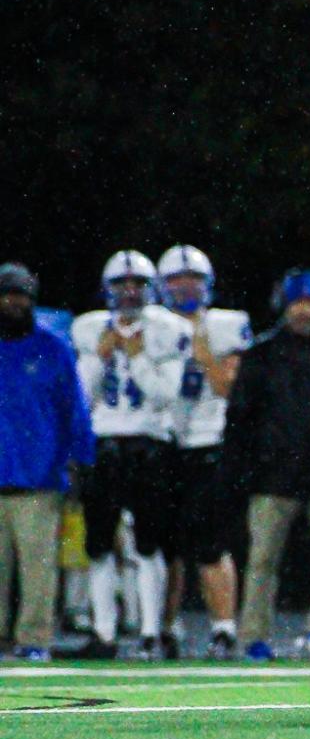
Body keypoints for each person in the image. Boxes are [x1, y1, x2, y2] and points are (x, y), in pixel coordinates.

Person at [221, 268, 310, 661]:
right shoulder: (261, 354)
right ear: (283, 305)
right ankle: (253, 637)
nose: (304, 311)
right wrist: (239, 469)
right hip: (271, 473)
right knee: (263, 559)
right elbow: (239, 418)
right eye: (297, 303)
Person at [70, 251, 192, 658]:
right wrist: (98, 358)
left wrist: (137, 357)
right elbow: (82, 398)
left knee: (148, 544)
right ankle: (104, 634)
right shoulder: (89, 329)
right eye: (121, 285)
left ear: (149, 288)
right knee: (100, 545)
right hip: (105, 443)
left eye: (136, 284)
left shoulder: (167, 328)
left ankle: (150, 632)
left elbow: (164, 395)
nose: (128, 292)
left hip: (148, 442)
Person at [156, 244, 251, 659]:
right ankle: (164, 627)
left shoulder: (226, 325)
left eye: (192, 279)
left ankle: (224, 628)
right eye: (176, 279)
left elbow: (228, 385)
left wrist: (200, 348)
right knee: (166, 544)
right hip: (162, 439)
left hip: (210, 440)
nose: (184, 287)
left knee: (211, 541)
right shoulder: (149, 325)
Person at [0, 263, 96, 661]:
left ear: (31, 300)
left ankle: (35, 640)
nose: (12, 303)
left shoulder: (53, 348)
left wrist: (80, 461)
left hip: (39, 478)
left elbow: (75, 409)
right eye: (6, 295)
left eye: (19, 295)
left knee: (38, 569)